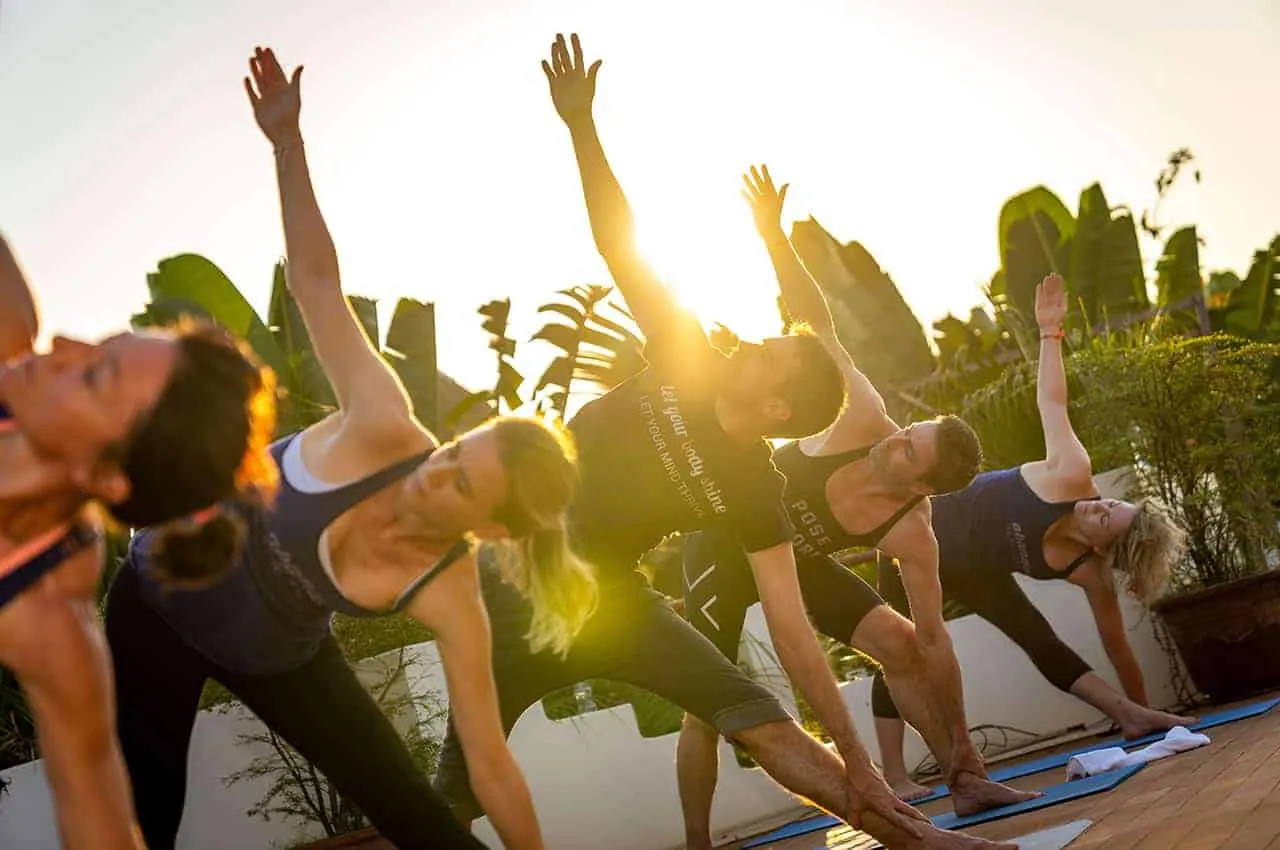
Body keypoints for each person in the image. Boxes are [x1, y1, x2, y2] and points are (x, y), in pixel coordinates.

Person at [434, 33, 1010, 850]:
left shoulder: (754, 487)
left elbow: (793, 630)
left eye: (770, 353)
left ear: (776, 404)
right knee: (448, 799)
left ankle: (911, 838)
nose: (751, 343)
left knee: (762, 720)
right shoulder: (682, 347)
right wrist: (580, 128)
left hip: (615, 599)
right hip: (515, 584)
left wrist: (859, 761)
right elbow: (618, 239)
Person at [105, 47, 597, 850]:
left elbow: (490, 762)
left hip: (281, 659)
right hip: (159, 601)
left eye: (462, 488)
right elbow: (317, 283)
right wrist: (286, 144)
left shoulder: (450, 591)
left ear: (496, 531)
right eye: (454, 453)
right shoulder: (385, 423)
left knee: (417, 815)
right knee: (145, 812)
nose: (435, 473)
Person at [678, 166, 1038, 848]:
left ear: (922, 489)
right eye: (907, 433)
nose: (893, 444)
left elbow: (935, 641)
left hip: (797, 560)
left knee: (902, 645)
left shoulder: (912, 533)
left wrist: (963, 742)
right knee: (706, 707)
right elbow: (817, 323)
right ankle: (697, 841)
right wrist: (774, 239)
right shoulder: (865, 415)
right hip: (727, 543)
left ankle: (964, 779)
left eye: (908, 454)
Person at [0, 231, 278, 850]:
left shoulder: (45, 608)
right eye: (100, 345)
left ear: (102, 476)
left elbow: (97, 816)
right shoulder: (8, 322)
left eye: (95, 374)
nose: (64, 346)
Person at [868, 272, 1194, 798]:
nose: (1097, 503)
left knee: (1036, 636)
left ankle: (1127, 717)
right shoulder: (1070, 472)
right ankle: (895, 775)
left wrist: (1141, 714)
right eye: (1111, 502)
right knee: (898, 645)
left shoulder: (1089, 573)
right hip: (918, 531)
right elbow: (1053, 403)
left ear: (1102, 548)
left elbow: (1118, 647)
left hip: (976, 568)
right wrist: (1049, 333)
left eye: (1105, 517)